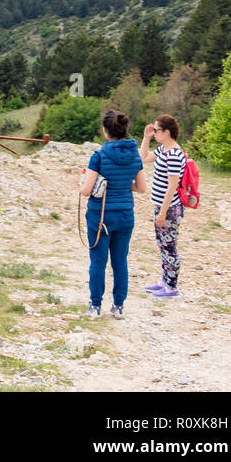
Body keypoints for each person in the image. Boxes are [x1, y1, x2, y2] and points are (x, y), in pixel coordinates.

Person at [80, 109, 147, 318]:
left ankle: (95, 306)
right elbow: (141, 188)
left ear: (105, 130)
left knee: (98, 261)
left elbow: (86, 190)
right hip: (125, 215)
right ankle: (118, 306)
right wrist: (122, 185)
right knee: (120, 261)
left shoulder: (98, 156)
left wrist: (80, 183)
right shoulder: (134, 155)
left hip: (100, 217)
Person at [139, 114, 186, 298]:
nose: (155, 132)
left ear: (167, 132)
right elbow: (143, 157)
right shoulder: (163, 150)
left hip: (170, 209)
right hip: (161, 206)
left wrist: (163, 212)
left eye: (157, 130)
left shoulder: (174, 154)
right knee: (162, 245)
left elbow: (172, 186)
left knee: (169, 246)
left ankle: (172, 286)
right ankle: (165, 281)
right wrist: (146, 137)